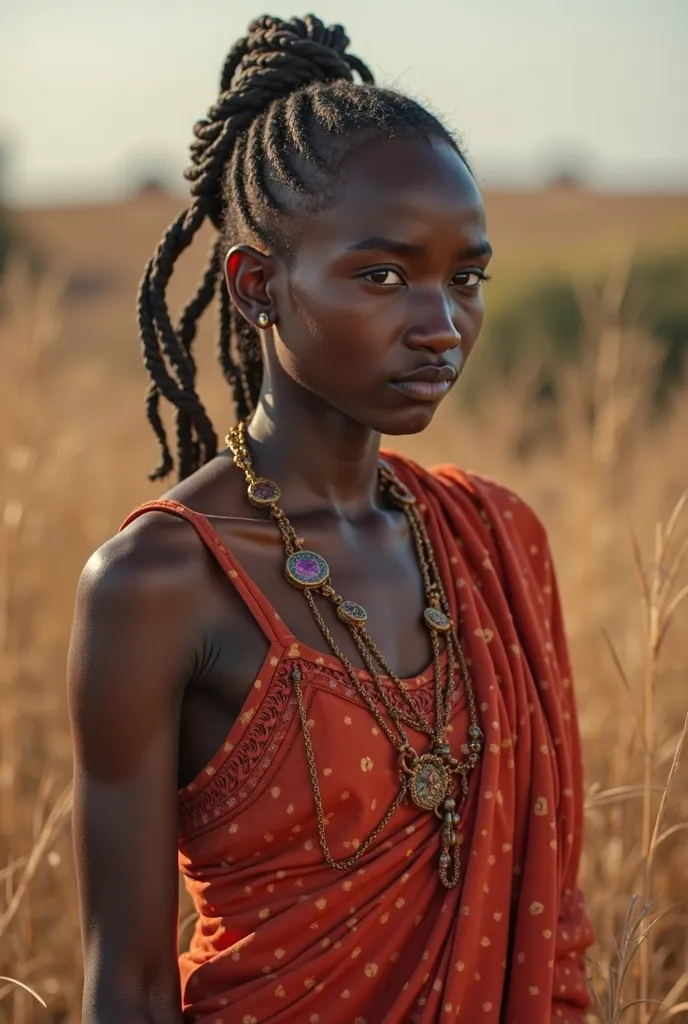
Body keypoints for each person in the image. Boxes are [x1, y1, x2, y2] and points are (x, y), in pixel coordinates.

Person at [67, 14, 593, 1024]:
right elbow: (124, 989)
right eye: (384, 275)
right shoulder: (158, 583)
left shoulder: (494, 538)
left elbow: (553, 917)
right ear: (257, 285)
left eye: (467, 277)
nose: (441, 325)